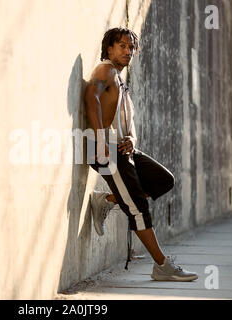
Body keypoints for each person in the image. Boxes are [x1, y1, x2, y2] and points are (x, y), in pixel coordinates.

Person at [84, 27, 198, 281]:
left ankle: (107, 200)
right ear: (110, 48)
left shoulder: (120, 80)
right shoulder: (106, 70)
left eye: (131, 47)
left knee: (163, 180)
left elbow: (127, 120)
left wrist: (132, 139)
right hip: (107, 150)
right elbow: (91, 97)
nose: (128, 51)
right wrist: (101, 138)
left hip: (124, 150)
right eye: (122, 46)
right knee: (138, 208)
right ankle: (162, 266)